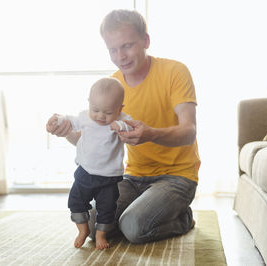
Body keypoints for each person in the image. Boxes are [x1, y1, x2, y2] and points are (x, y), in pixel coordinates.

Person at [47, 9, 200, 244]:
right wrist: (67, 132)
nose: (121, 56)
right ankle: (143, 214)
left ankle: (183, 217)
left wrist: (149, 134)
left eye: (127, 46)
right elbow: (93, 140)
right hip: (132, 176)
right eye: (113, 49)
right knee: (91, 224)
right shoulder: (113, 86)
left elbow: (189, 132)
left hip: (177, 176)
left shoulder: (174, 72)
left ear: (146, 41)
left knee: (133, 227)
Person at [46, 77, 131, 249]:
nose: (100, 116)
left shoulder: (121, 119)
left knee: (107, 209)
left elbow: (131, 126)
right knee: (76, 202)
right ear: (89, 103)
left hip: (109, 178)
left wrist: (121, 125)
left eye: (107, 113)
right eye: (96, 110)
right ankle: (83, 230)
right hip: (85, 172)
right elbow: (69, 120)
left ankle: (101, 235)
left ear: (119, 109)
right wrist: (58, 120)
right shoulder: (85, 117)